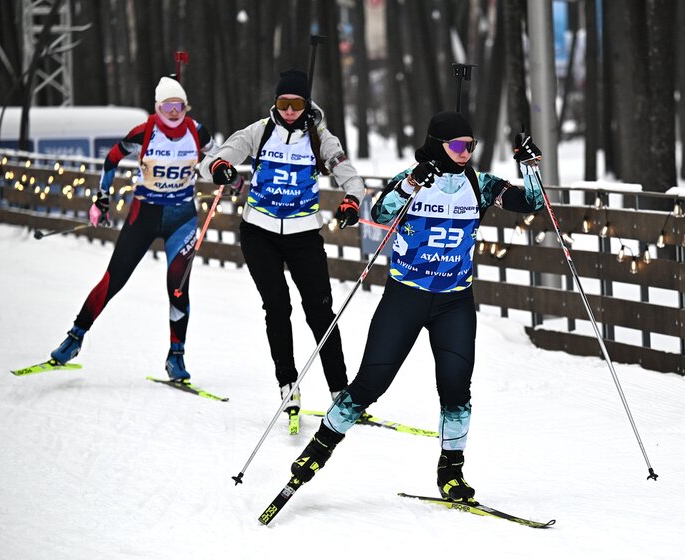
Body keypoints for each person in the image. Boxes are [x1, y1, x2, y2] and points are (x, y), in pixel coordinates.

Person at [287, 111, 544, 503]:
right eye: (458, 145)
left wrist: (529, 168)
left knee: (456, 390)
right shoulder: (415, 178)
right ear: (438, 144)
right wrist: (408, 185)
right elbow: (380, 213)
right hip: (406, 297)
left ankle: (451, 472)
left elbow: (531, 204)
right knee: (370, 384)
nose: (465, 152)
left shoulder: (480, 183)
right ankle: (318, 450)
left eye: (470, 145)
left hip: (454, 301)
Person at [198, 69, 365, 419]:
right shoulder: (260, 132)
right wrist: (220, 169)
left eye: (296, 104)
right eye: (283, 103)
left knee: (320, 312)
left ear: (306, 105)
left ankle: (340, 390)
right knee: (278, 307)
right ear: (275, 103)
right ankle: (288, 384)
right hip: (259, 233)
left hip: (304, 236)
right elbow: (213, 161)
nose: (289, 110)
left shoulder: (320, 138)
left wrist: (351, 200)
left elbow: (350, 176)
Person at [49, 77, 216, 380]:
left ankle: (176, 357)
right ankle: (74, 337)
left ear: (186, 107)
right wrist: (102, 199)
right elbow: (111, 159)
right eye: (168, 106)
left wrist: (231, 176)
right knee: (113, 279)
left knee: (178, 287)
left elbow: (218, 159)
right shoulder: (144, 131)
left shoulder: (197, 131)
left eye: (179, 105)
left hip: (182, 219)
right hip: (144, 216)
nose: (174, 112)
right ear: (157, 107)